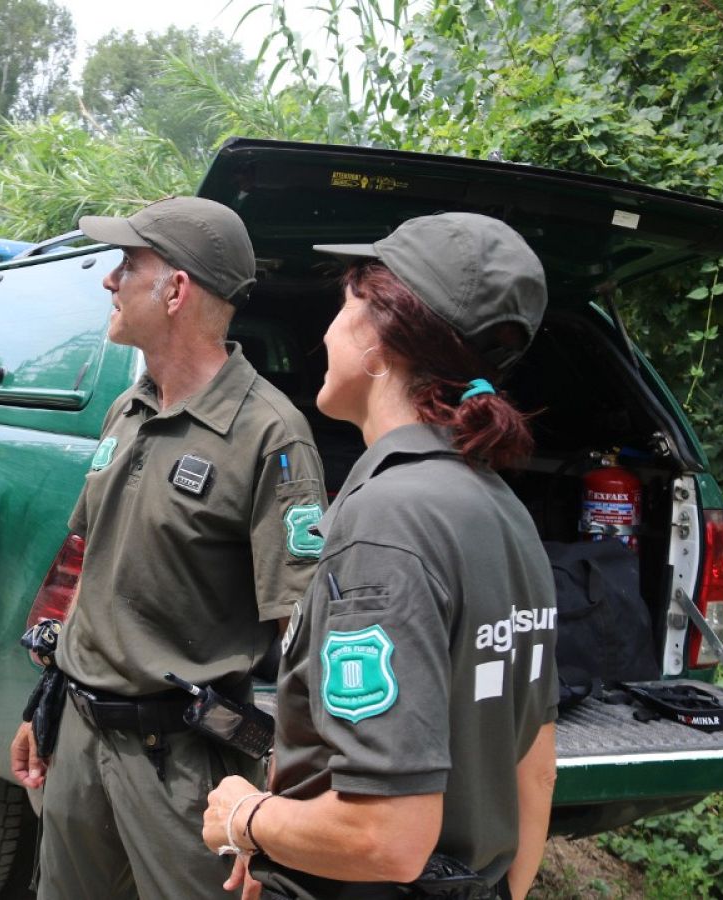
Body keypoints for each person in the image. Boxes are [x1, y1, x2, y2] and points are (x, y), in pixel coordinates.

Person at [201, 212, 560, 900]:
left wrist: (247, 819)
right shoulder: (502, 508)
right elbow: (535, 770)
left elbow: (387, 839)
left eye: (344, 305)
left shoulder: (385, 519)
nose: (328, 330)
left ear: (380, 338)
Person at [9, 196, 328, 900]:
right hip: (81, 739)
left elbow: (304, 636)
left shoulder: (271, 435)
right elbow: (83, 560)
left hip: (184, 765)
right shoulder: (131, 408)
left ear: (176, 290)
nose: (109, 281)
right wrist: (45, 701)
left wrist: (274, 811)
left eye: (128, 264)